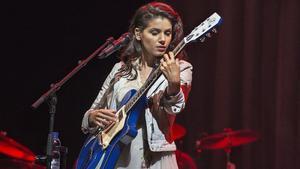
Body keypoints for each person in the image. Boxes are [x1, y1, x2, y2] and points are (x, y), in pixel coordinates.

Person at [81, 2, 193, 169]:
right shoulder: (120, 70)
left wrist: (174, 85)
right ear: (138, 34)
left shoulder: (181, 67)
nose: (162, 39)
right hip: (115, 157)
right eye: (155, 32)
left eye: (167, 33)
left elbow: (174, 107)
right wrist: (91, 117)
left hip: (156, 160)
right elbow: (94, 109)